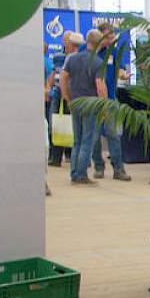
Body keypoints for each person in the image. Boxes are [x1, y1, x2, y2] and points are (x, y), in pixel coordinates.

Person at [61, 29, 107, 185]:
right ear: (99, 44)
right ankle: (81, 174)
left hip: (75, 103)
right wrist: (104, 106)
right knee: (88, 140)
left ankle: (74, 173)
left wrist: (67, 97)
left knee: (77, 141)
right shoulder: (98, 62)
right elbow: (100, 86)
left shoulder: (72, 59)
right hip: (91, 105)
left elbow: (63, 78)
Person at [92, 23, 131, 181]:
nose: (111, 39)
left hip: (110, 100)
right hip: (92, 101)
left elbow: (120, 69)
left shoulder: (114, 52)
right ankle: (98, 167)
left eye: (112, 36)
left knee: (113, 134)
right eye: (108, 37)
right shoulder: (89, 52)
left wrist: (123, 75)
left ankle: (118, 169)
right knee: (94, 136)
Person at [48, 31, 82, 167]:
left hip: (72, 93)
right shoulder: (58, 57)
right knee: (55, 124)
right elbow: (54, 73)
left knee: (70, 125)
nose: (67, 42)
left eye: (70, 40)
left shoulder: (78, 58)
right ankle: (55, 156)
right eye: (65, 40)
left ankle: (70, 155)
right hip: (57, 93)